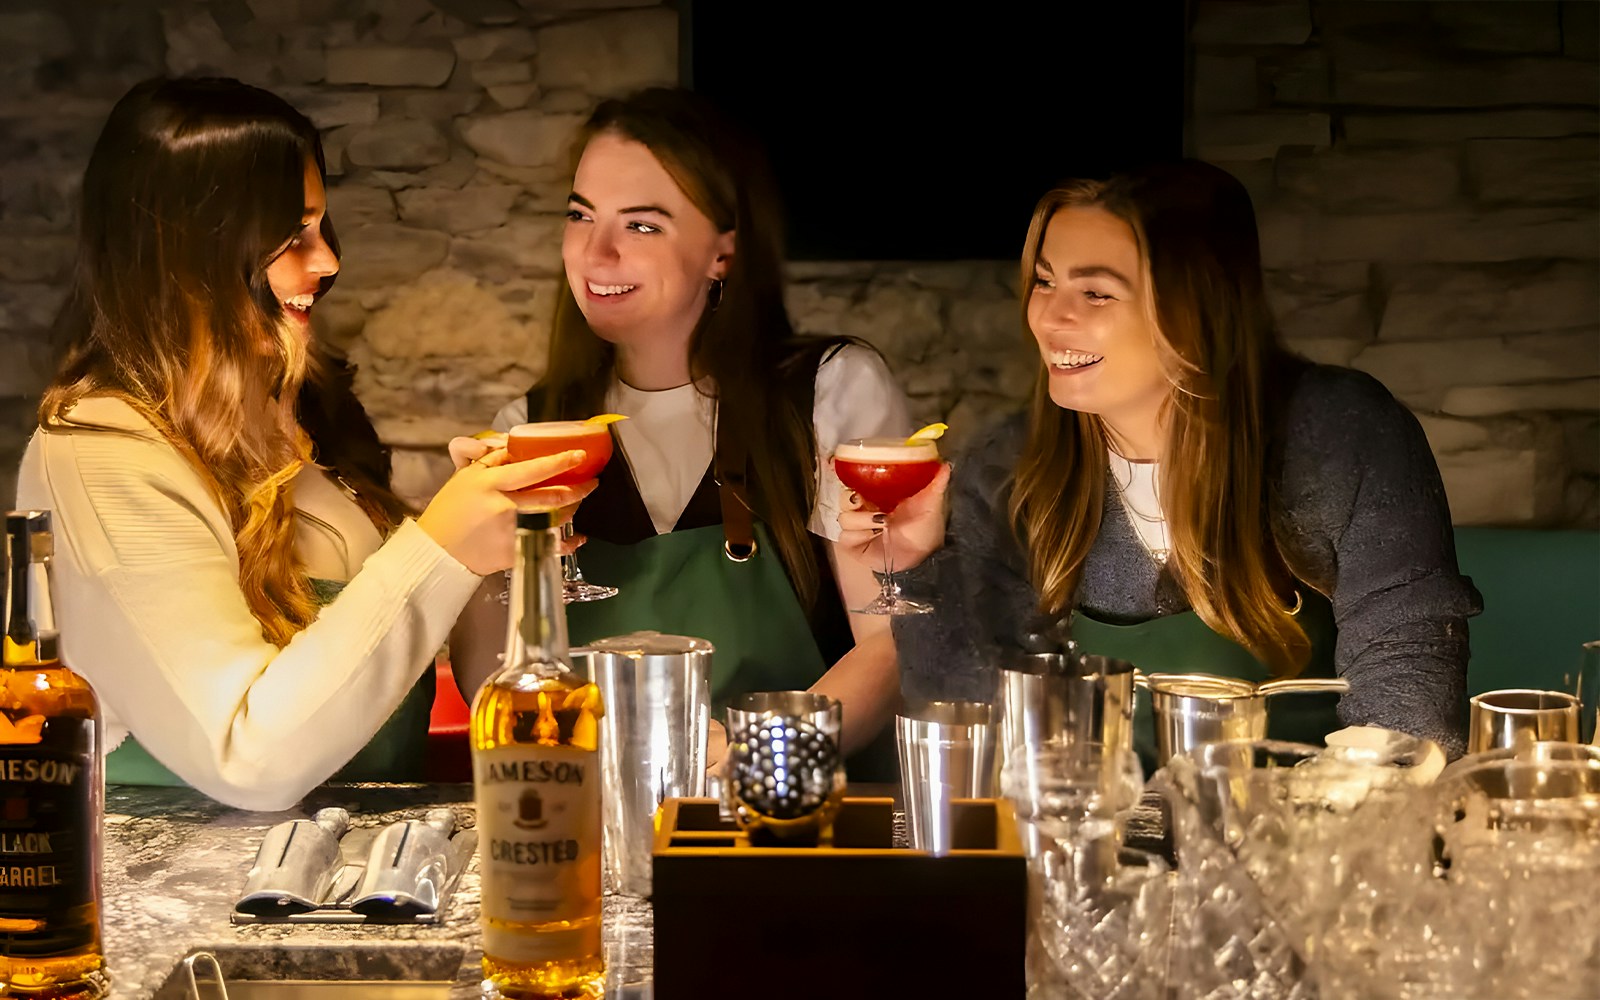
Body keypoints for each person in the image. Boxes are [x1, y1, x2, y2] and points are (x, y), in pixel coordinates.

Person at [16, 77, 591, 811]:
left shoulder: (301, 417)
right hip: (195, 908)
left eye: (321, 228)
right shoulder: (101, 451)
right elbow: (248, 757)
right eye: (293, 239)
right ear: (188, 253)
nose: (327, 263)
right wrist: (441, 544)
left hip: (363, 890)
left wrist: (489, 549)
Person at [840, 161, 1481, 763]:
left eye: (1095, 292)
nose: (1049, 317)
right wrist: (925, 576)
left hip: (1306, 832)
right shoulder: (1011, 465)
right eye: (1044, 281)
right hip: (1097, 830)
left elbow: (1409, 671)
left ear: (1193, 306)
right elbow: (970, 720)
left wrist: (1339, 824)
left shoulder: (1339, 433)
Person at [449, 88, 912, 774]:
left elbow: (893, 639)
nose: (595, 252)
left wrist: (763, 755)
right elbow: (494, 679)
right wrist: (478, 556)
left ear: (723, 252)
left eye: (642, 225)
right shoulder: (530, 426)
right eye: (581, 216)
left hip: (799, 821)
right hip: (609, 813)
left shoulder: (830, 391)